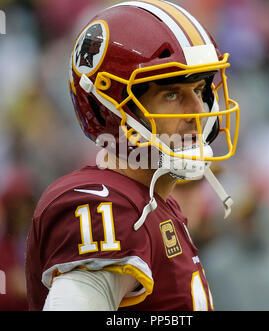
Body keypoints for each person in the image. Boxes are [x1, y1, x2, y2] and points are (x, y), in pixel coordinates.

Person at [25, 0, 239, 311]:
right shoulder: (104, 205)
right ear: (109, 109)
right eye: (172, 94)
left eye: (200, 89)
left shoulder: (152, 202)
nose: (198, 112)